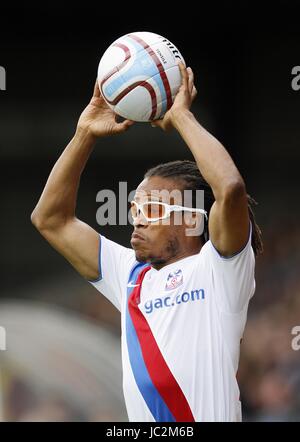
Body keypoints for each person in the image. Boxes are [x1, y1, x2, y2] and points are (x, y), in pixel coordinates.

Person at [31, 63, 263, 422]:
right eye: (135, 208)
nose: (138, 218)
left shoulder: (220, 269)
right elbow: (50, 219)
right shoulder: (130, 275)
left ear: (191, 218)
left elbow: (230, 189)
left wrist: (183, 117)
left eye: (152, 208)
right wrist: (84, 135)